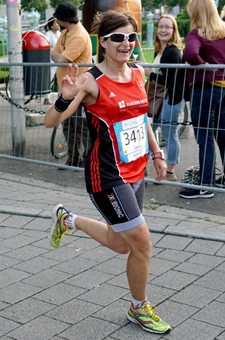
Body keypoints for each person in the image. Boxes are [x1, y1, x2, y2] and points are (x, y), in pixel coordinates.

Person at [44, 9, 171, 334]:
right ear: (104, 42)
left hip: (136, 170)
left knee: (121, 243)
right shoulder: (91, 80)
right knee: (142, 243)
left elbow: (141, 119)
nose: (126, 43)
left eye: (131, 37)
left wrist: (156, 152)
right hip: (107, 175)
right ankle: (139, 308)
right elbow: (51, 122)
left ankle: (67, 219)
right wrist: (64, 98)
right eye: (118, 37)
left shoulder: (138, 73)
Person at [179, 0, 225, 199]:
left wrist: (204, 64)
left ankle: (205, 184)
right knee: (222, 135)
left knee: (204, 138)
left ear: (196, 13)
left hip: (204, 88)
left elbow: (190, 53)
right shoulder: (223, 31)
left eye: (190, 12)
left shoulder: (197, 33)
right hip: (223, 88)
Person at [145, 15, 186, 182]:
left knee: (169, 135)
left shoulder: (172, 51)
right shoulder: (160, 50)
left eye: (167, 27)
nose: (163, 30)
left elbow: (169, 80)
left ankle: (170, 171)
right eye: (160, 26)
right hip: (160, 100)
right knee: (151, 134)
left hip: (171, 99)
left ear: (173, 30)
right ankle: (143, 167)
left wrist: (150, 73)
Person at [51, 2, 92, 167]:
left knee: (81, 127)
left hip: (79, 90)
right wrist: (57, 55)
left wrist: (57, 55)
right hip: (67, 89)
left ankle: (88, 160)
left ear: (61, 19)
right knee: (68, 126)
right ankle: (74, 158)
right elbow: (55, 54)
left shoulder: (79, 35)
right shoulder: (67, 32)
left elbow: (60, 58)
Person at [43, 17, 61, 105]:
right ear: (51, 25)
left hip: (59, 61)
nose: (58, 24)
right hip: (50, 61)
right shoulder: (48, 34)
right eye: (56, 23)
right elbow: (45, 45)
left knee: (60, 79)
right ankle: (46, 99)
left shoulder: (60, 34)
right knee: (49, 80)